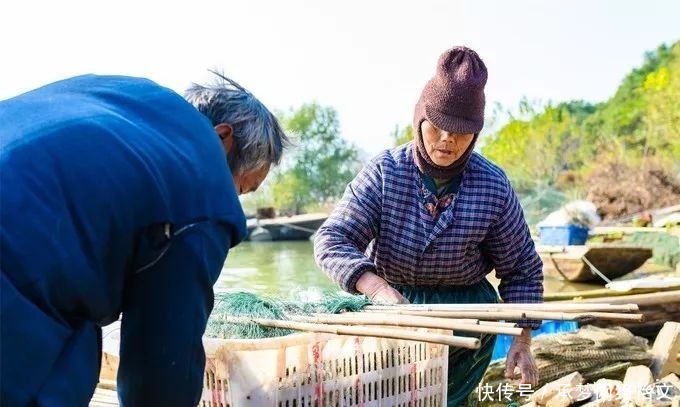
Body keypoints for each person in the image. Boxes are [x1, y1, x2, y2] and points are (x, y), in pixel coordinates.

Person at [0, 72, 289, 406]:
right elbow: (163, 361)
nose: (232, 203)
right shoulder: (200, 178)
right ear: (223, 139)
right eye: (240, 189)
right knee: (71, 356)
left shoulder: (126, 97)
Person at [314, 46, 543, 406]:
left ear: (475, 133)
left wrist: (522, 340)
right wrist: (375, 288)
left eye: (460, 132)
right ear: (420, 118)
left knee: (448, 401)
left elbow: (522, 270)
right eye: (437, 127)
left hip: (467, 315)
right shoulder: (386, 172)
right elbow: (332, 239)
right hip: (394, 309)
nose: (447, 140)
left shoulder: (493, 185)